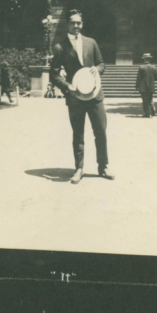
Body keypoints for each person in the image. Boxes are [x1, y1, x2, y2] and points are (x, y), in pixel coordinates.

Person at [50, 9, 112, 183]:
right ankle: (79, 168)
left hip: (94, 94)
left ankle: (103, 166)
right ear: (67, 24)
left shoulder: (91, 42)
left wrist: (97, 69)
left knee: (100, 131)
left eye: (78, 22)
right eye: (72, 22)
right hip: (75, 96)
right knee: (78, 133)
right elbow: (53, 74)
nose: (76, 25)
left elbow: (101, 64)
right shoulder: (60, 47)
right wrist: (67, 86)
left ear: (82, 24)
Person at [136, 53, 157, 118]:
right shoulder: (153, 67)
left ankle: (147, 113)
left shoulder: (141, 67)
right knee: (150, 99)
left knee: (145, 100)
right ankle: (152, 110)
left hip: (143, 86)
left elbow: (138, 78)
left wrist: (137, 86)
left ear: (144, 59)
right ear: (150, 59)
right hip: (151, 86)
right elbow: (156, 78)